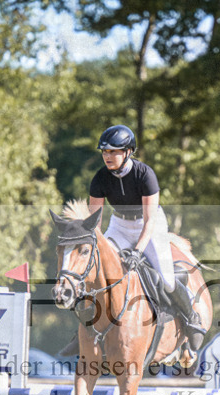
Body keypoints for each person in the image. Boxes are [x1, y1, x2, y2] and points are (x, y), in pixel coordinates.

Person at [60, 125, 205, 355]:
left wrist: (137, 251)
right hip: (119, 225)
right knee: (97, 272)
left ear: (128, 152)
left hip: (149, 224)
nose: (107, 156)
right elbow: (94, 224)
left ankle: (191, 318)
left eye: (113, 152)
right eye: (105, 152)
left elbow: (149, 221)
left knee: (166, 280)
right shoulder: (100, 178)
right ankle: (82, 334)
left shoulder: (144, 175)